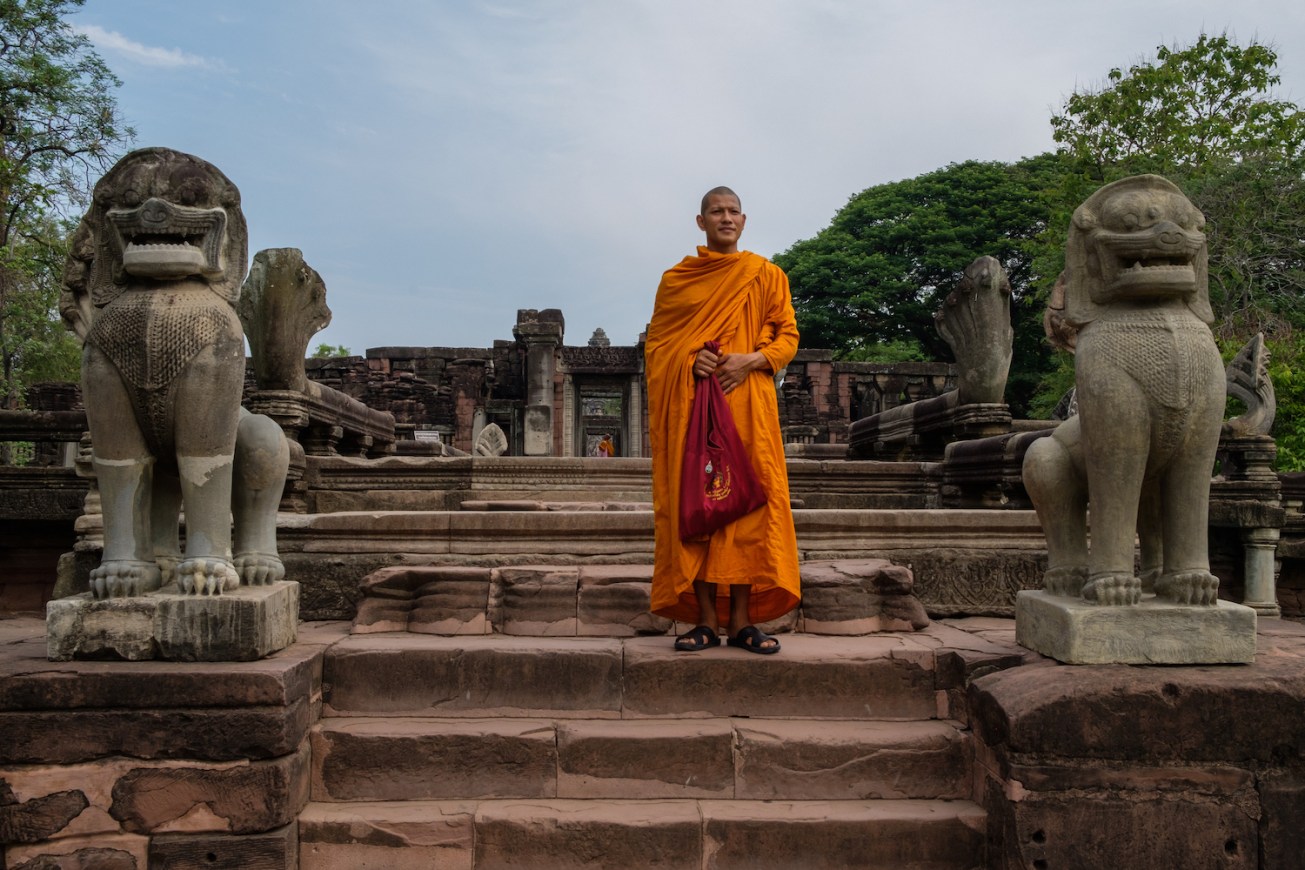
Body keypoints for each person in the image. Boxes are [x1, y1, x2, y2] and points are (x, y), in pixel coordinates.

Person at [644, 186, 801, 654]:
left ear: (744, 220)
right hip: (695, 409)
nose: (725, 218)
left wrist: (751, 360)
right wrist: (691, 359)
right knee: (701, 508)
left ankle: (743, 622)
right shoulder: (678, 280)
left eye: (733, 211)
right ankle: (706, 621)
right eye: (717, 212)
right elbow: (658, 348)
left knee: (748, 508)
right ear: (701, 222)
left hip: (749, 406)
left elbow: (788, 336)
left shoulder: (766, 275)